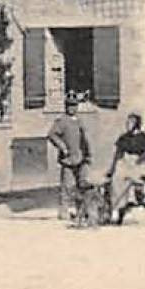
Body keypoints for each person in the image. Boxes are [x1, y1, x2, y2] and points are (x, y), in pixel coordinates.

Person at [105, 112, 145, 225]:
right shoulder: (123, 138)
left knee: (137, 179)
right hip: (126, 162)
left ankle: (141, 198)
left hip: (141, 163)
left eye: (131, 122)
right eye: (127, 122)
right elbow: (118, 154)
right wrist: (112, 169)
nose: (128, 124)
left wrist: (140, 161)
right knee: (117, 181)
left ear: (137, 124)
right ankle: (119, 205)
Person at [46, 93, 91, 221]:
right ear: (66, 106)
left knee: (82, 186)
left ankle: (82, 211)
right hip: (68, 160)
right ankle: (64, 212)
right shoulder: (61, 121)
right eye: (70, 105)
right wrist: (63, 148)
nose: (72, 108)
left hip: (81, 159)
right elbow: (52, 135)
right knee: (67, 187)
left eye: (75, 105)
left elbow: (85, 139)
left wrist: (88, 154)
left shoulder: (80, 121)